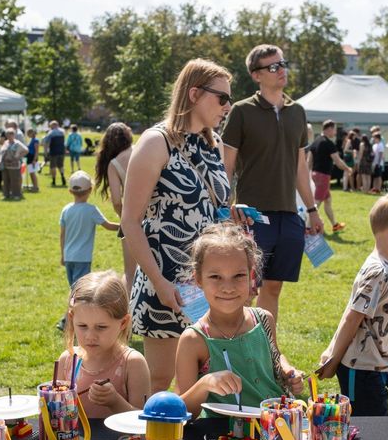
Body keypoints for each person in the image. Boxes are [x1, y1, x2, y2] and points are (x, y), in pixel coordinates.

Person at [122, 58, 235, 392]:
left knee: (207, 379)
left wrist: (231, 210)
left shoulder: (215, 146)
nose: (227, 107)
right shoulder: (156, 142)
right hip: (166, 284)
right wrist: (158, 283)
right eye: (222, 98)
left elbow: (212, 205)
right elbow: (130, 220)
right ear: (194, 93)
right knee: (159, 381)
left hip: (210, 286)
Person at [221, 44, 324, 323]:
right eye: (273, 67)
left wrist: (313, 209)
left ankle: (267, 346)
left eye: (283, 64)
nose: (282, 71)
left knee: (274, 287)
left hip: (289, 214)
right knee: (247, 288)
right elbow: (225, 165)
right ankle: (236, 343)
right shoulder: (241, 111)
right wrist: (223, 209)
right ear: (257, 75)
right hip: (251, 215)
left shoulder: (297, 112)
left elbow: (300, 166)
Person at [175, 222, 304, 416]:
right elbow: (181, 411)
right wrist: (205, 384)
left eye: (238, 276)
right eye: (216, 277)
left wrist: (287, 372)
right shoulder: (194, 340)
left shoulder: (263, 320)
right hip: (225, 439)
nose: (228, 287)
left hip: (276, 429)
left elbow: (275, 357)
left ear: (251, 276)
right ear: (198, 279)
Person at [318, 192, 388, 416]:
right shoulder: (378, 272)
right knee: (369, 426)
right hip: (360, 368)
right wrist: (333, 357)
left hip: (378, 364)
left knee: (375, 421)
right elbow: (352, 316)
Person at [53, 271, 150, 418]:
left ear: (123, 322)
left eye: (101, 327)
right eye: (82, 326)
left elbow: (143, 422)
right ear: (71, 319)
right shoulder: (67, 361)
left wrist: (115, 402)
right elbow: (56, 414)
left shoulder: (132, 363)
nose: (90, 336)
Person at [58, 170, 120, 328]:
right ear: (90, 190)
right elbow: (107, 225)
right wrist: (126, 225)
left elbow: (62, 235)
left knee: (74, 288)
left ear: (70, 191)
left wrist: (62, 255)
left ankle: (70, 318)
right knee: (79, 292)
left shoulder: (66, 210)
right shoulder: (91, 210)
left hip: (69, 256)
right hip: (83, 257)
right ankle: (67, 320)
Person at [94, 122, 136, 292]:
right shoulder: (141, 150)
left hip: (132, 219)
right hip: (158, 216)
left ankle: (131, 315)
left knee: (130, 273)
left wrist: (125, 218)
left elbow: (117, 201)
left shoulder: (114, 164)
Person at [309, 120, 351, 232]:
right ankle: (307, 227)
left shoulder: (316, 141)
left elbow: (309, 160)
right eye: (335, 129)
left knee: (327, 200)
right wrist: (347, 169)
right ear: (329, 129)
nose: (335, 132)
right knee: (316, 203)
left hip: (315, 174)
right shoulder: (328, 143)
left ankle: (335, 225)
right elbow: (337, 161)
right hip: (323, 176)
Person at [0, 128, 27, 200]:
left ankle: (16, 194)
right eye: (8, 134)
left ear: (14, 135)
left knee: (15, 180)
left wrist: (18, 157)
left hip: (15, 165)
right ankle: (6, 194)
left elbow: (26, 150)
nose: (10, 135)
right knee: (5, 180)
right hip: (5, 165)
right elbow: (2, 152)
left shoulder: (17, 143)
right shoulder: (5, 143)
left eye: (11, 134)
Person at [43, 121, 66, 186]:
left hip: (53, 151)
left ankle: (54, 181)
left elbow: (46, 142)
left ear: (52, 126)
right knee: (61, 165)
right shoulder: (62, 132)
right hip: (61, 151)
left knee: (53, 166)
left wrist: (45, 152)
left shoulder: (51, 133)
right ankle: (62, 177)